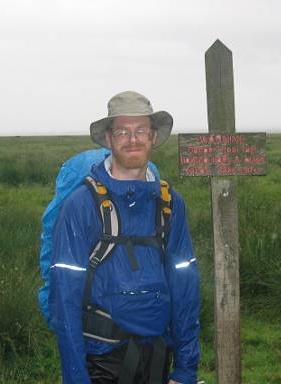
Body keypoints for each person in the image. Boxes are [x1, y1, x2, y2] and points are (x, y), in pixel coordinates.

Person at [49, 91, 200, 384]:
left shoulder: (170, 204)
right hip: (101, 363)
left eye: (141, 130)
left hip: (158, 358)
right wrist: (76, 378)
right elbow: (64, 301)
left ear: (153, 136)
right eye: (123, 131)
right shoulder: (80, 206)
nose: (133, 139)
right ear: (108, 139)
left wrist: (185, 369)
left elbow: (185, 292)